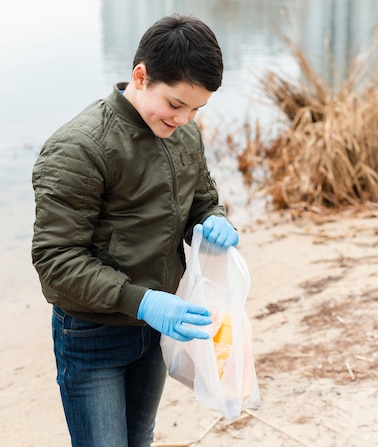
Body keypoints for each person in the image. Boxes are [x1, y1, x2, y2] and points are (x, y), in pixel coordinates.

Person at [31, 14, 238, 447]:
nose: (184, 119)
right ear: (140, 76)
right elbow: (57, 261)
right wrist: (142, 302)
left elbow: (200, 199)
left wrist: (212, 219)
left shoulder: (183, 136)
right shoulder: (80, 147)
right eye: (176, 104)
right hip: (92, 334)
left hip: (158, 330)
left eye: (197, 108)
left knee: (139, 438)